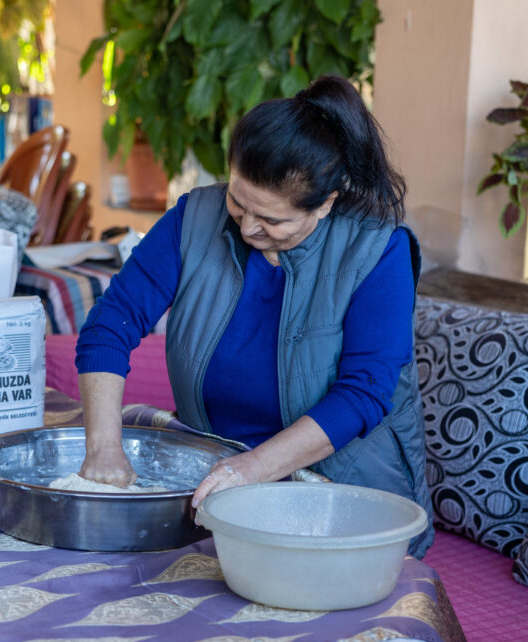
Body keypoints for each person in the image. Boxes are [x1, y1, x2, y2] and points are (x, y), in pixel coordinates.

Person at [74, 75, 433, 557]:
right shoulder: (193, 218)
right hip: (218, 483)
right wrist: (102, 448)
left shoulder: (376, 249)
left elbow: (363, 394)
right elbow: (110, 323)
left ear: (325, 204)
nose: (246, 228)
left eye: (273, 220)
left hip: (340, 500)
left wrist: (251, 470)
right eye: (238, 202)